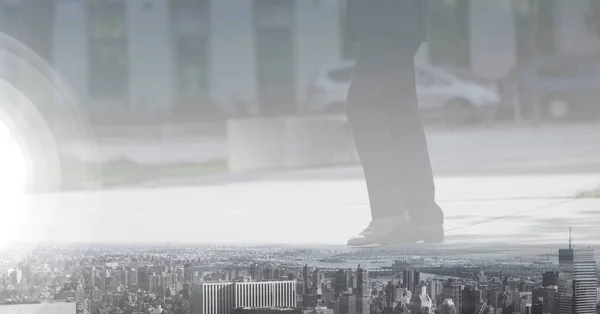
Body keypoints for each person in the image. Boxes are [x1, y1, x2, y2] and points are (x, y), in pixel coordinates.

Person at [345, 0, 444, 246]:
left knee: (363, 106)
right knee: (399, 112)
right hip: (401, 19)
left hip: (386, 18)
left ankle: (389, 212)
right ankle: (423, 215)